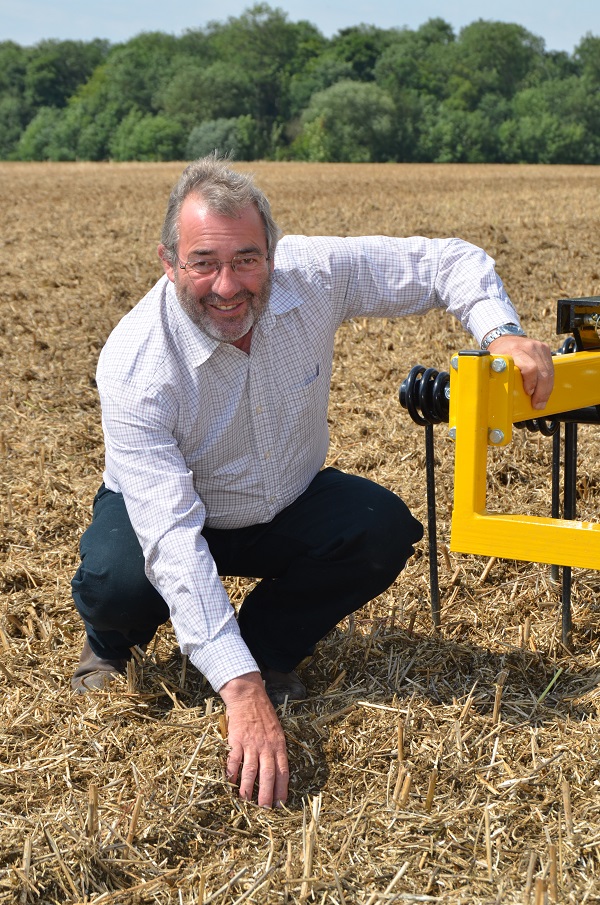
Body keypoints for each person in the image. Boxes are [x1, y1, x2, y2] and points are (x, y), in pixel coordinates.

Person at [71, 155, 554, 808]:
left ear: (272, 251)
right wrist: (237, 695)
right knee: (119, 579)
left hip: (282, 500)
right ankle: (109, 646)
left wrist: (503, 333)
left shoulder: (312, 273)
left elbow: (445, 262)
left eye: (247, 259)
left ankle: (266, 646)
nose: (227, 284)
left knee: (378, 529)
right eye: (203, 262)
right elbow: (172, 538)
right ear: (169, 262)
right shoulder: (136, 362)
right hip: (168, 517)